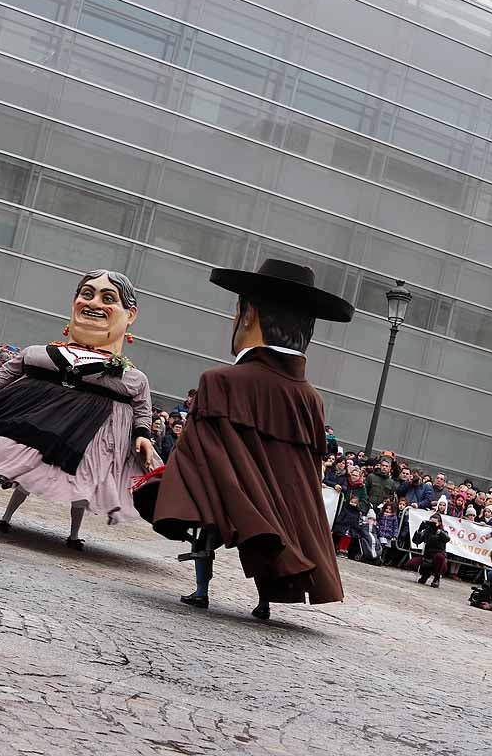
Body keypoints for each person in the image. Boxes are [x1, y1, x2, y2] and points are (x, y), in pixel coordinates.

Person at [134, 259, 353, 620]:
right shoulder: (311, 396)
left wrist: (173, 485)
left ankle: (202, 590)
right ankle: (265, 600)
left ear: (248, 315)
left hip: (226, 490)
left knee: (206, 530)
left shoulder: (220, 381)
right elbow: (311, 461)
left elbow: (198, 449)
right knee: (273, 538)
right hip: (284, 500)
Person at [0, 269, 158, 549]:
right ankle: (7, 517)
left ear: (129, 314)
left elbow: (141, 406)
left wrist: (142, 434)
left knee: (80, 485)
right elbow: (4, 375)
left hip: (87, 435)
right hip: (38, 419)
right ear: (74, 302)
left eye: (107, 297)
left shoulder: (132, 377)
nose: (94, 303)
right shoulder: (39, 354)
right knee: (27, 472)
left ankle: (73, 535)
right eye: (87, 294)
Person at [410, 513, 451, 587]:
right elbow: (416, 541)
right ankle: (425, 575)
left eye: (434, 523)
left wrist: (439, 532)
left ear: (439, 523)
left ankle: (436, 579)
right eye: (430, 522)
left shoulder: (443, 532)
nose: (432, 525)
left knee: (440, 557)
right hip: (427, 557)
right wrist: (419, 530)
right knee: (411, 564)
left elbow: (447, 539)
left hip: (439, 560)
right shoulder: (426, 532)